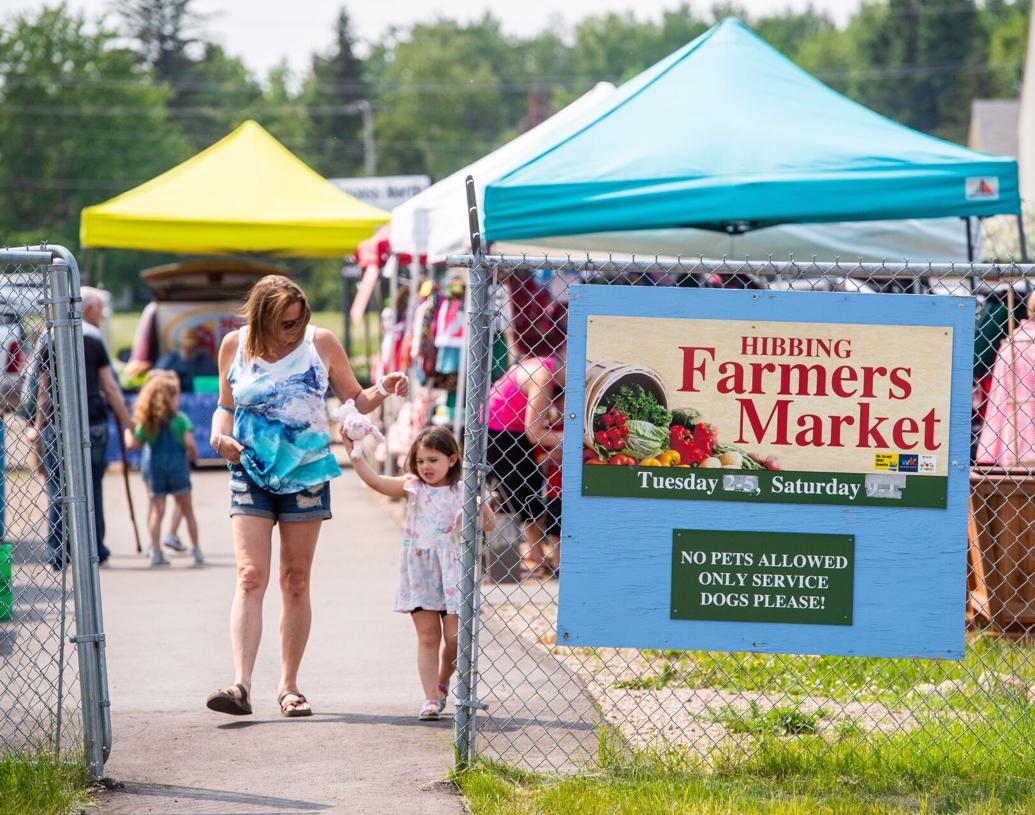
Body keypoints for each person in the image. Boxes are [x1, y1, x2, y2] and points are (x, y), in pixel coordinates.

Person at [205, 275, 407, 718]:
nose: (293, 330)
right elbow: (226, 405)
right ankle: (240, 684)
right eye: (284, 323)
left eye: (299, 321)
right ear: (262, 318)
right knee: (249, 575)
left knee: (295, 579)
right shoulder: (234, 346)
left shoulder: (322, 343)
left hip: (307, 474)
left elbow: (356, 399)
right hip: (250, 471)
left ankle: (289, 686)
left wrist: (384, 387)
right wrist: (218, 436)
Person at [344, 426, 462, 721]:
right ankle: (431, 698)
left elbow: (486, 523)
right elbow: (378, 481)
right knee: (427, 635)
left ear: (452, 459)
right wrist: (356, 456)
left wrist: (478, 511)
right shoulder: (413, 487)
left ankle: (443, 679)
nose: (425, 467)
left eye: (433, 460)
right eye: (421, 461)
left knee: (457, 638)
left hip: (453, 571)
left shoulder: (463, 490)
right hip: (420, 570)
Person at [27, 286, 134, 569]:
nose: (102, 315)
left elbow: (43, 390)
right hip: (93, 422)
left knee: (58, 488)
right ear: (86, 309)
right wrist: (128, 421)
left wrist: (38, 426)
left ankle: (58, 551)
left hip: (57, 424)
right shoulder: (94, 339)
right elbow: (110, 386)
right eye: (99, 309)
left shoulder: (49, 337)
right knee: (92, 486)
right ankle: (95, 548)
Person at [486, 329, 565, 578]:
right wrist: (578, 439)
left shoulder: (544, 365)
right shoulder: (544, 375)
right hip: (500, 430)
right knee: (524, 492)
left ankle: (535, 552)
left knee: (528, 488)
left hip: (505, 428)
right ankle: (535, 554)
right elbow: (534, 431)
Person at [123, 370, 202, 567]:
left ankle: (156, 550)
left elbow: (134, 444)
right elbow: (189, 443)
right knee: (187, 509)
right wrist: (192, 453)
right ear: (171, 398)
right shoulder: (180, 420)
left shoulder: (148, 424)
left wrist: (127, 431)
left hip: (155, 470)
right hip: (177, 470)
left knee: (156, 511)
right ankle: (197, 550)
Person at [154, 326, 218, 394]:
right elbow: (155, 380)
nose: (189, 349)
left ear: (197, 347)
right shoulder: (168, 361)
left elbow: (216, 382)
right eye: (185, 346)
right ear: (180, 345)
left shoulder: (206, 363)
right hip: (173, 401)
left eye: (192, 346)